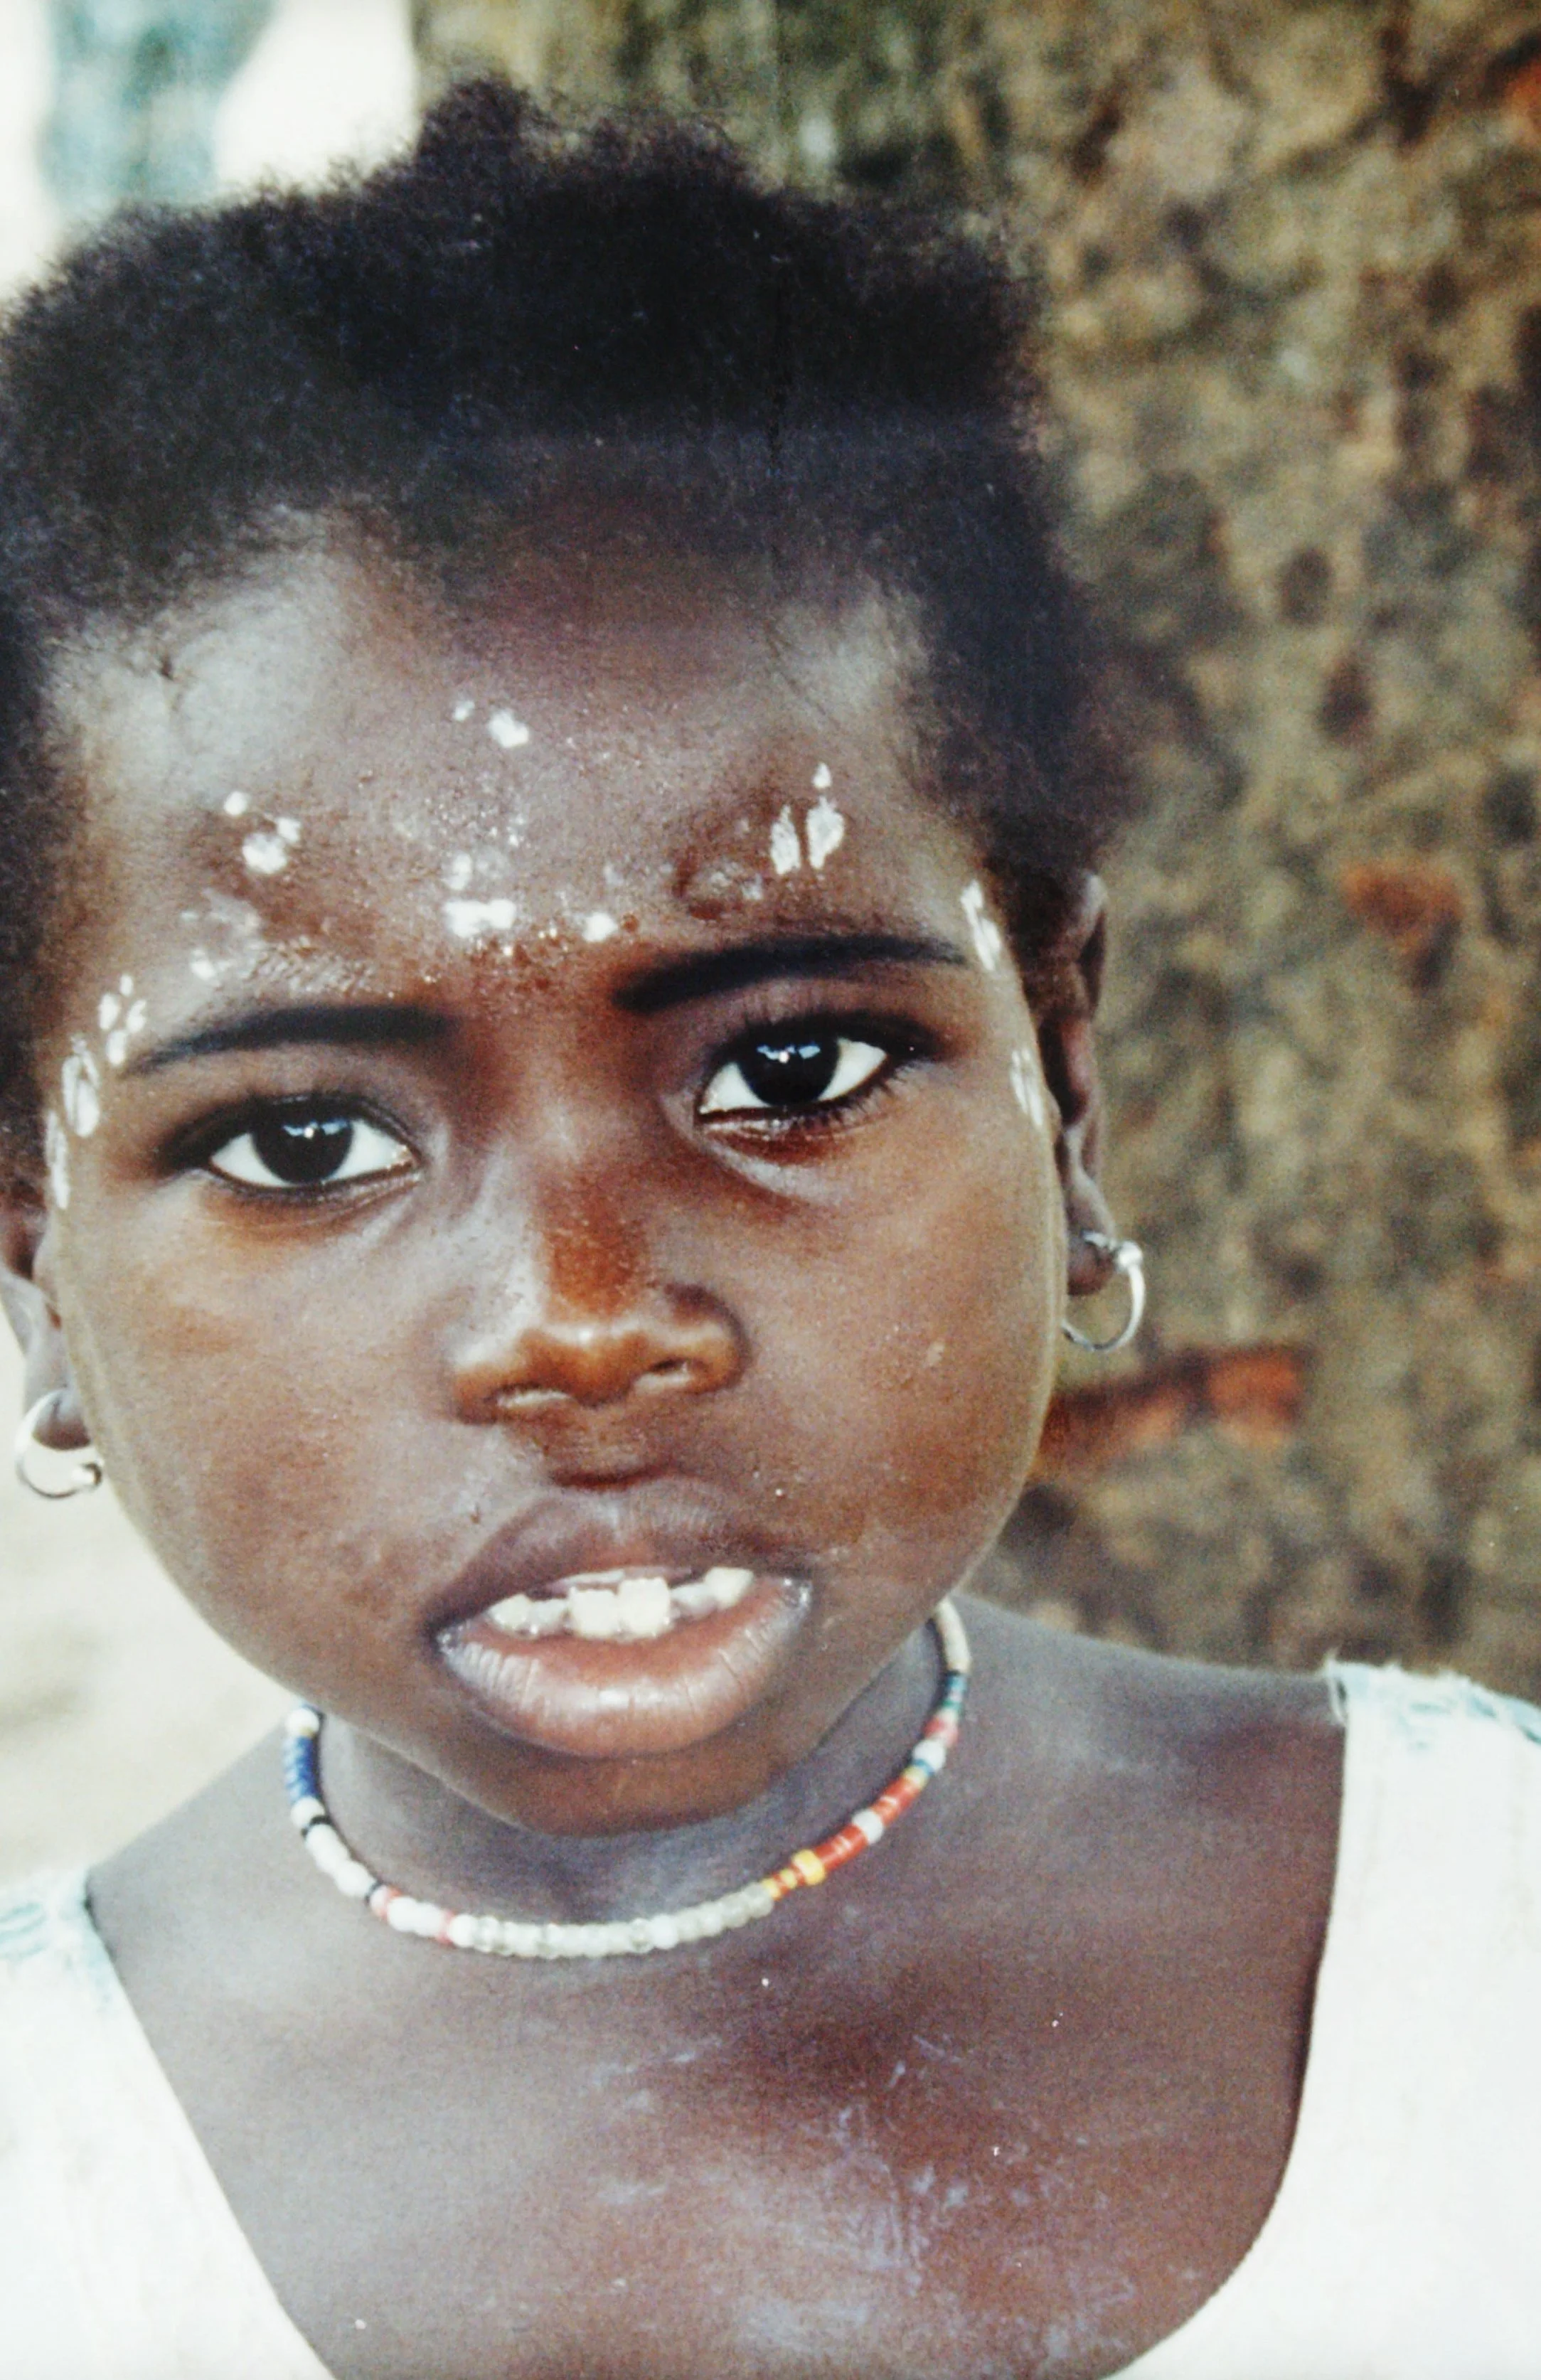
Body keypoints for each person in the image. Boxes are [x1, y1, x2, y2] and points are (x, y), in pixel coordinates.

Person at [0, 78, 1537, 2380]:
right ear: (35, 1251)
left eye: (788, 1072)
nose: (584, 1325)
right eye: (307, 1145)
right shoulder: (52, 2204)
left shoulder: (1485, 1949)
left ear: (1061, 1070)